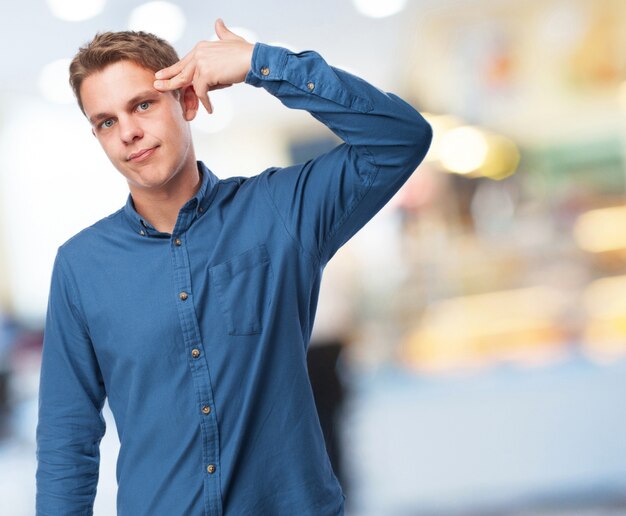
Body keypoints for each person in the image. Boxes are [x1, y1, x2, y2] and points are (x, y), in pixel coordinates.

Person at [35, 18, 432, 516]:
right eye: (106, 121)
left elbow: (402, 138)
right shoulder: (80, 266)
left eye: (142, 104)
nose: (129, 132)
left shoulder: (280, 212)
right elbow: (66, 441)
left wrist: (262, 64)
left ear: (187, 101)